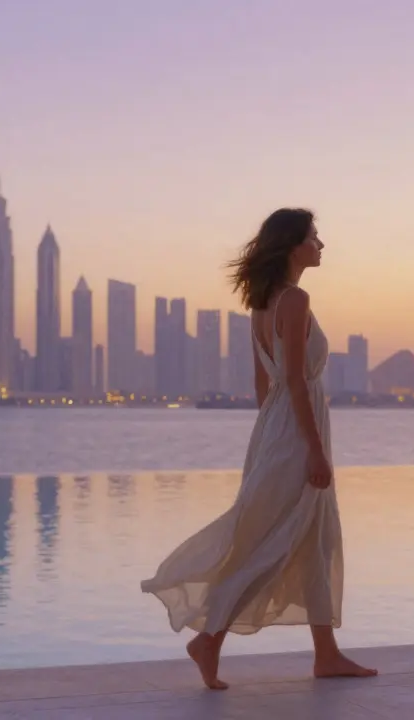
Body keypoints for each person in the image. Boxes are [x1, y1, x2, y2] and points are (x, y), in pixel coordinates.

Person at [140, 208, 378, 690]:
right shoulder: (295, 299)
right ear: (294, 246)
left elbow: (261, 383)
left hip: (276, 427)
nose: (321, 244)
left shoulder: (262, 303)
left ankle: (325, 654)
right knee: (272, 544)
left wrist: (273, 435)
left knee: (313, 540)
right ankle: (209, 638)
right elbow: (291, 379)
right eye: (314, 236)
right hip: (294, 432)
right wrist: (311, 449)